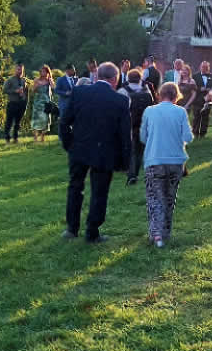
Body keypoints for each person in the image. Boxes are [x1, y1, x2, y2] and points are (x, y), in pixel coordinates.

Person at [59, 62, 131, 244]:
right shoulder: (120, 101)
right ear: (115, 79)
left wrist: (69, 145)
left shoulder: (79, 93)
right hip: (104, 151)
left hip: (79, 148)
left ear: (97, 76)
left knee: (75, 187)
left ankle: (71, 228)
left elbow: (64, 121)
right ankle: (92, 231)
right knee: (99, 192)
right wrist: (124, 162)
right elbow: (124, 134)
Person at [139, 81, 194, 248]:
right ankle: (166, 232)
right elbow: (188, 137)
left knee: (155, 197)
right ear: (176, 96)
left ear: (160, 94)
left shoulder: (149, 111)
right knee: (170, 198)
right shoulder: (181, 112)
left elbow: (143, 137)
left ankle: (156, 234)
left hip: (154, 160)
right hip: (176, 161)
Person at [123, 69, 154, 185]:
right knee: (141, 150)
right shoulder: (147, 93)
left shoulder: (125, 92)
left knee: (132, 150)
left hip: (131, 124)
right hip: (145, 124)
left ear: (128, 79)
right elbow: (152, 107)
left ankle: (132, 175)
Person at [2, 63, 28, 144]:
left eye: (21, 70)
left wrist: (24, 100)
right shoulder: (10, 80)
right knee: (9, 122)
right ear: (15, 70)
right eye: (18, 69)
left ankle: (15, 138)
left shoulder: (24, 80)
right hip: (12, 103)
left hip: (21, 104)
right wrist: (15, 91)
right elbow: (4, 90)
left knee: (18, 122)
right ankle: (7, 139)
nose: (20, 71)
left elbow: (26, 92)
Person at [191, 61, 212, 138]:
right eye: (203, 67)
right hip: (197, 100)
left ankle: (203, 134)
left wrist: (210, 90)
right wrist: (199, 89)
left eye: (206, 67)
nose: (204, 68)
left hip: (207, 100)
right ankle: (195, 133)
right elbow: (192, 87)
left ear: (208, 68)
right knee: (196, 117)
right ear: (200, 67)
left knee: (205, 117)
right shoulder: (195, 76)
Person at [30, 65, 55, 142]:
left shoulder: (49, 80)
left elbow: (54, 88)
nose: (42, 73)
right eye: (41, 71)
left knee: (46, 120)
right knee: (36, 120)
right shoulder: (36, 80)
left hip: (46, 103)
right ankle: (35, 138)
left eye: (44, 71)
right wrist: (36, 86)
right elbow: (32, 91)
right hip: (37, 103)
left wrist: (51, 82)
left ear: (48, 72)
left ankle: (42, 137)